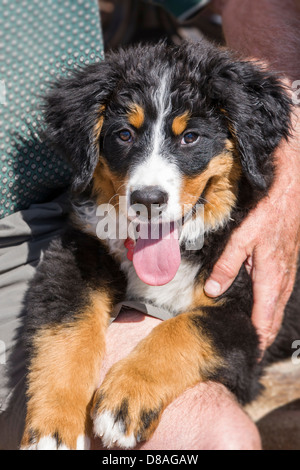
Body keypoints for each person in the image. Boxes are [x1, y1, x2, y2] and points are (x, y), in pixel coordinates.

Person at [0, 0, 299, 450]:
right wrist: (60, 394)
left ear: (241, 142)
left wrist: (149, 371)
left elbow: (237, 344)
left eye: (191, 137)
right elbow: (68, 296)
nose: (150, 183)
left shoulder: (238, 235)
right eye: (124, 135)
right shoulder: (93, 237)